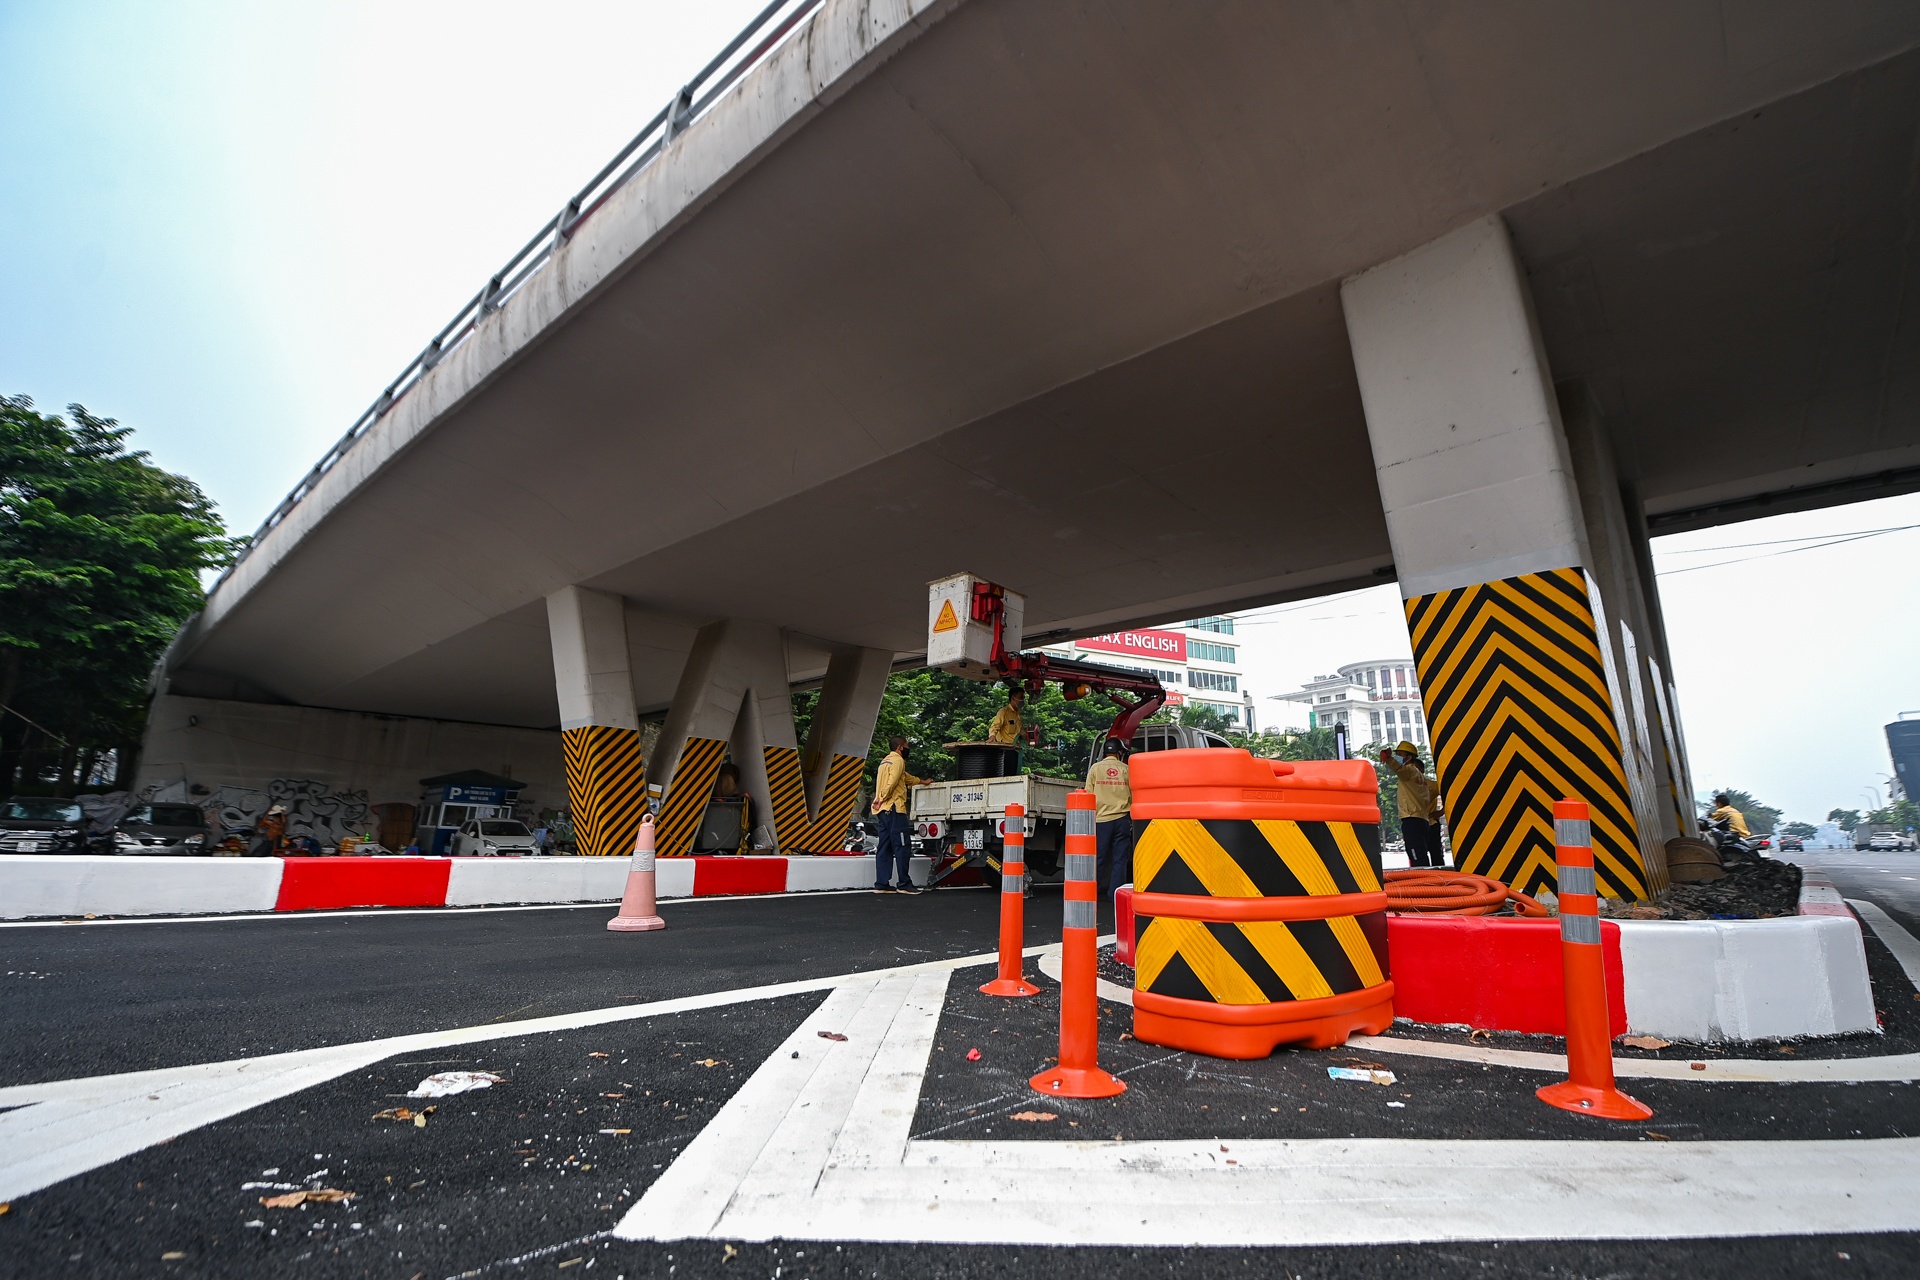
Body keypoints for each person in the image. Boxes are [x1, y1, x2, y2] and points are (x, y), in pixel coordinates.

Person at [870, 735, 922, 892]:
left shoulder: (885, 761)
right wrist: (882, 797)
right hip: (894, 809)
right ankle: (904, 884)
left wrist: (922, 781)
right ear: (901, 747)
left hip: (882, 811)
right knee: (902, 846)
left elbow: (904, 778)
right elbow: (892, 782)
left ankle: (882, 884)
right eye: (906, 745)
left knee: (884, 847)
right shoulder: (899, 761)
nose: (907, 749)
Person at [1379, 743, 1440, 869]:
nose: (1398, 757)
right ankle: (1429, 882)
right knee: (1421, 855)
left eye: (1400, 755)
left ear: (1409, 758)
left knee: (1417, 857)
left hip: (1412, 819)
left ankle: (1424, 884)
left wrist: (1389, 758)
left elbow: (1398, 768)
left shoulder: (1410, 771)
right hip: (1420, 819)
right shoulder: (1419, 777)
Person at [1086, 737, 1133, 901]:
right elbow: (1133, 795)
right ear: (1119, 752)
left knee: (1098, 857)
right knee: (1119, 859)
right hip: (1122, 820)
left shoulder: (1095, 769)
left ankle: (1092, 892)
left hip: (1101, 821)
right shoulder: (1127, 769)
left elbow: (1088, 795)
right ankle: (1115, 895)